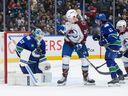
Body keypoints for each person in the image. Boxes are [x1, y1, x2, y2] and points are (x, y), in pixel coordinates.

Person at [57, 9, 95, 85]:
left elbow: (85, 35)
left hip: (79, 43)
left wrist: (81, 43)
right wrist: (61, 29)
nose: (68, 20)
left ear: (74, 17)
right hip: (68, 43)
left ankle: (86, 77)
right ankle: (64, 77)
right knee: (65, 59)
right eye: (67, 18)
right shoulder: (68, 23)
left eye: (69, 18)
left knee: (84, 59)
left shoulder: (82, 24)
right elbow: (64, 29)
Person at [93, 13, 124, 85]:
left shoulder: (106, 25)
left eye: (98, 20)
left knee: (109, 60)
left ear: (101, 20)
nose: (96, 21)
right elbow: (105, 36)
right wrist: (98, 37)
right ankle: (120, 74)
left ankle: (114, 78)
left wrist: (104, 41)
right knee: (111, 60)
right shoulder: (104, 26)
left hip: (113, 44)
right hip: (112, 45)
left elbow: (113, 35)